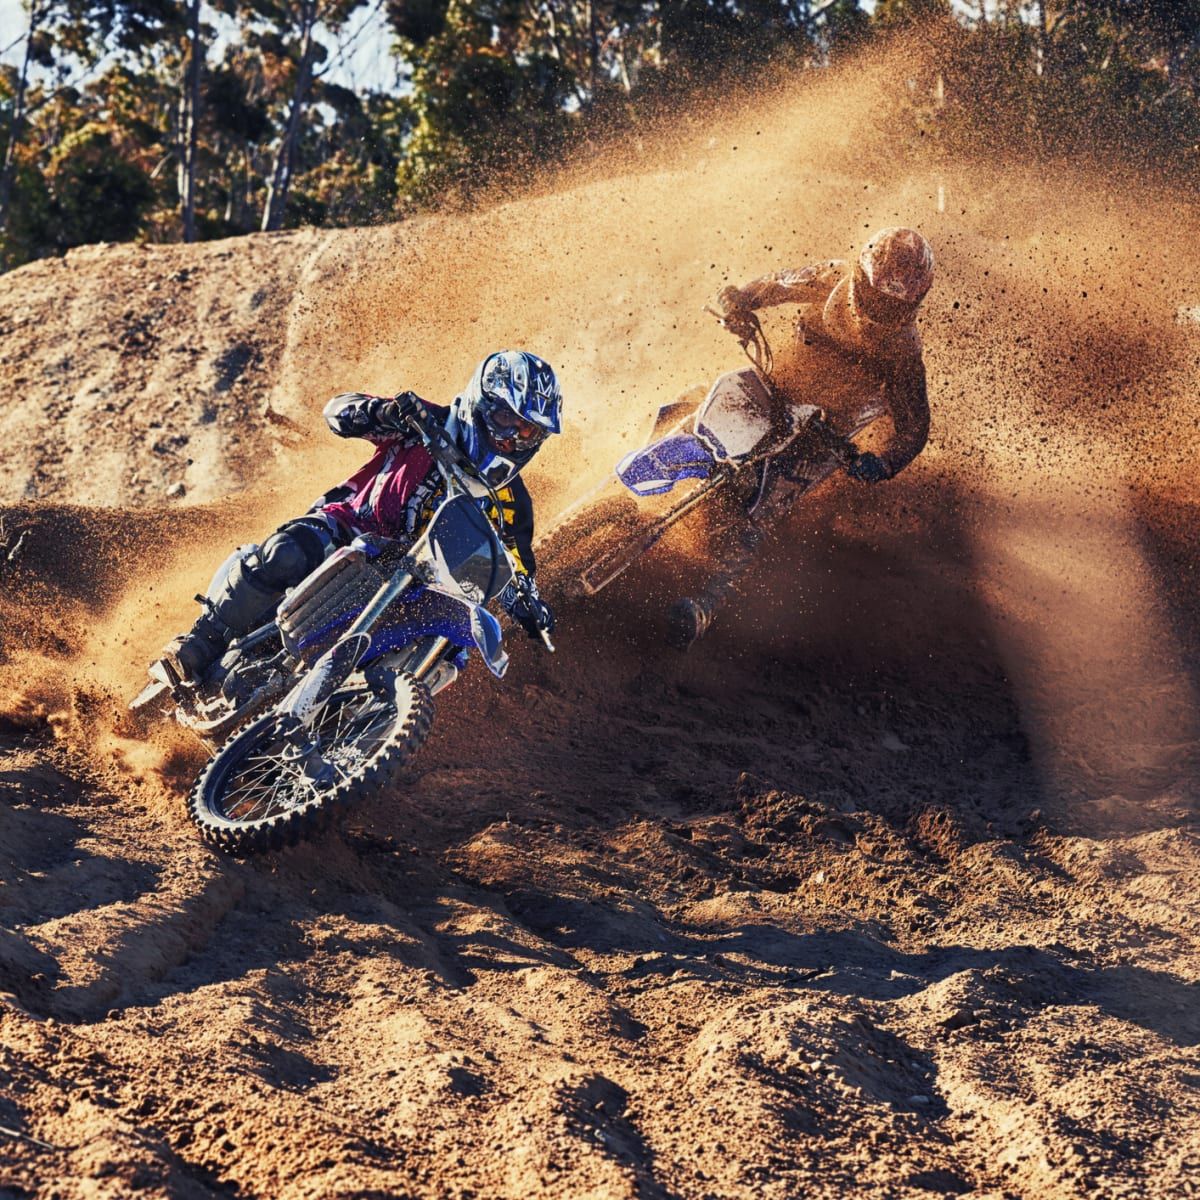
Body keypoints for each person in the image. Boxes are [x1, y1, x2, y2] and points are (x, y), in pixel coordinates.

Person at [159, 350, 562, 685]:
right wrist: (383, 412)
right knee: (286, 553)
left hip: (411, 586)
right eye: (508, 420)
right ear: (482, 401)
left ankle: (357, 727)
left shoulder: (513, 502)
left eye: (529, 432)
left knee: (451, 649)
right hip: (350, 529)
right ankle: (200, 642)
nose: (514, 438)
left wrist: (527, 600)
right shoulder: (425, 422)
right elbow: (337, 412)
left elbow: (512, 565)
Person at [668, 227, 934, 649]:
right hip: (776, 386)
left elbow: (915, 426)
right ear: (862, 277)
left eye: (894, 303)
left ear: (915, 300)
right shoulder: (832, 277)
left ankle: (705, 603)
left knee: (762, 505)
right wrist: (739, 300)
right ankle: (625, 482)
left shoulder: (904, 352)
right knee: (688, 407)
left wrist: (881, 463)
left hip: (828, 434)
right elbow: (773, 284)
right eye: (878, 295)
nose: (883, 308)